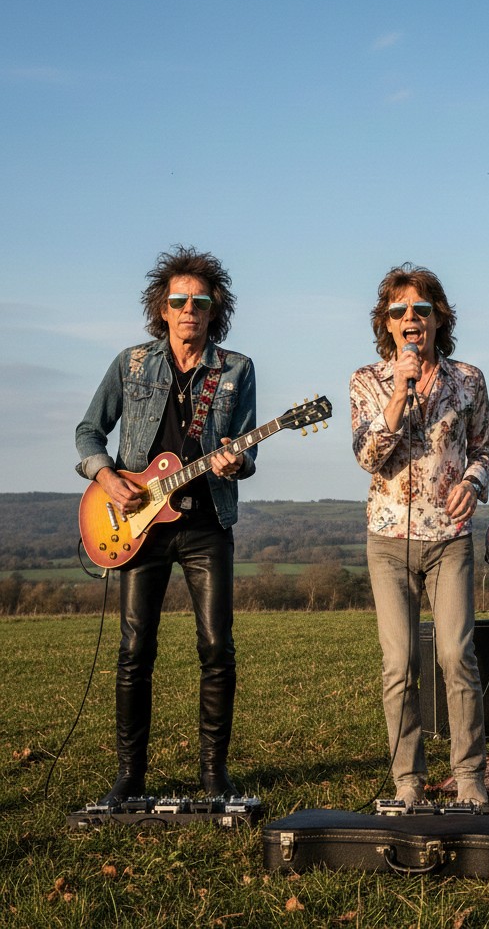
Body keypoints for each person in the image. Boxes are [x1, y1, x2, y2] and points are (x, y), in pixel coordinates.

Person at [76, 246, 256, 804]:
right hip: (138, 524)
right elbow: (88, 433)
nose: (188, 311)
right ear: (163, 308)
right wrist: (108, 480)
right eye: (178, 301)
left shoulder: (236, 370)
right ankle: (130, 775)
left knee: (216, 648)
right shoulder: (132, 364)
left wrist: (236, 460)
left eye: (199, 302)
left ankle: (213, 774)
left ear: (212, 310)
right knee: (135, 649)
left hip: (206, 523)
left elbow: (245, 457)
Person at [350, 263, 489, 806]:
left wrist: (476, 483)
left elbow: (485, 447)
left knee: (456, 655)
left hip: (449, 536)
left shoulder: (469, 379)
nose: (411, 318)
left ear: (439, 319)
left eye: (421, 309)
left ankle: (470, 778)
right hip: (387, 540)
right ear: (387, 325)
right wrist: (398, 394)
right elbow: (368, 456)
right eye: (399, 311)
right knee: (400, 663)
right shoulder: (366, 380)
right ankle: (408, 781)